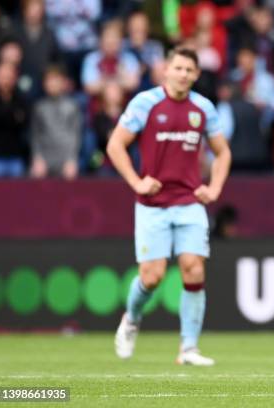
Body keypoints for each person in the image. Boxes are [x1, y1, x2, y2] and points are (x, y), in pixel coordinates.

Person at [108, 47, 232, 366]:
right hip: (152, 204)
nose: (183, 74)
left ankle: (188, 348)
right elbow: (115, 145)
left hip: (190, 202)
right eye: (178, 68)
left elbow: (223, 153)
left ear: (196, 74)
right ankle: (132, 318)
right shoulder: (145, 103)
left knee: (193, 268)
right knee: (152, 277)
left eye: (189, 70)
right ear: (166, 70)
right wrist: (136, 182)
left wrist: (214, 188)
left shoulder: (203, 108)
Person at [29, 65, 81, 179]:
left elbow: (76, 135)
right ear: (44, 84)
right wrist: (37, 157)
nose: (53, 84)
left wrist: (72, 159)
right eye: (49, 80)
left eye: (56, 80)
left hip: (66, 159)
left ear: (63, 83)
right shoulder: (39, 107)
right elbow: (35, 135)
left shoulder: (72, 106)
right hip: (44, 159)